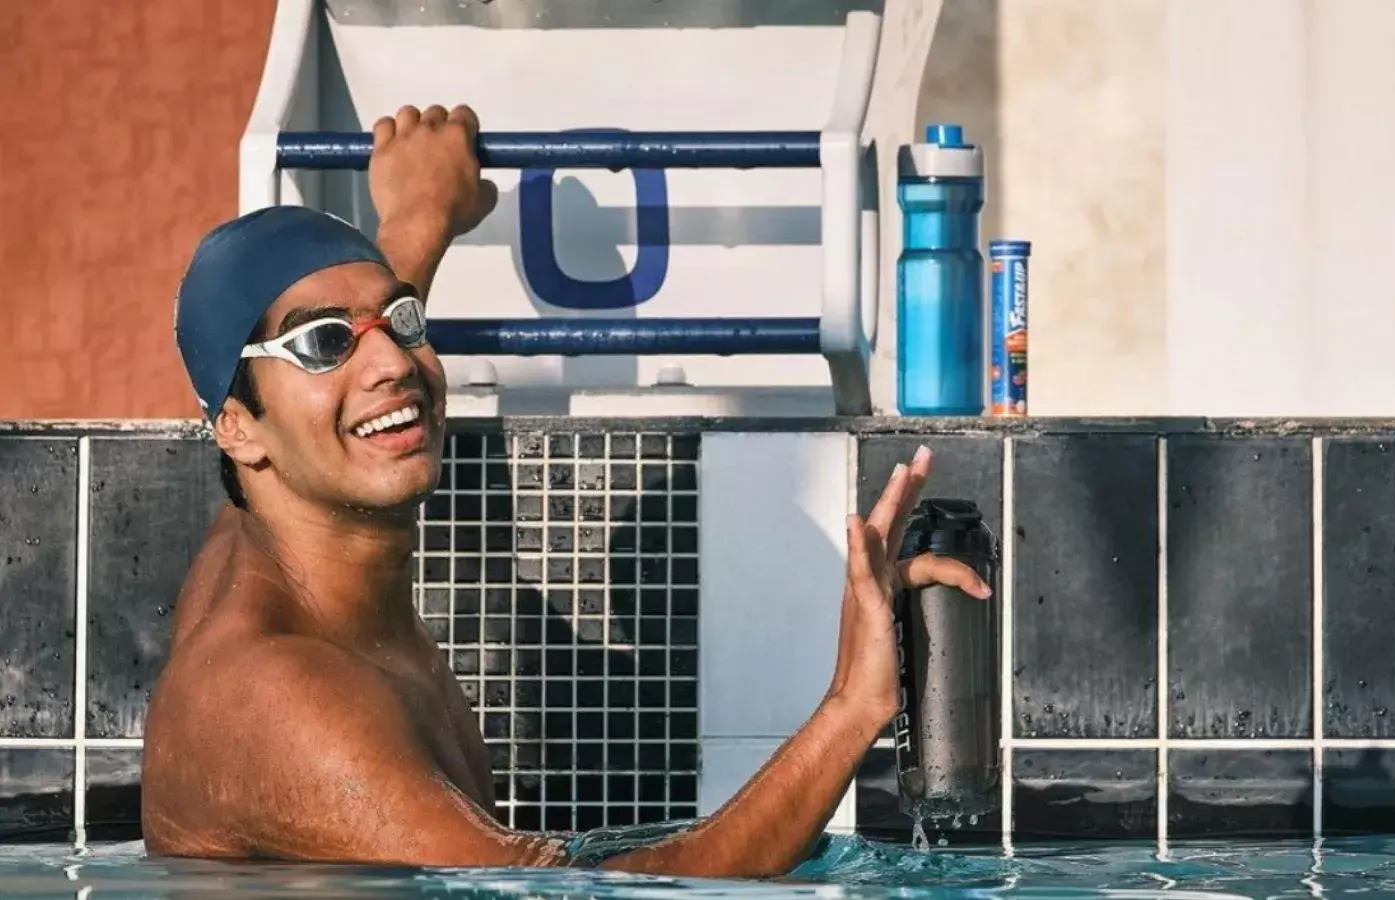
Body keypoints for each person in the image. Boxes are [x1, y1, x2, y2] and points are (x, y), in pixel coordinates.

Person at [141, 104, 991, 876]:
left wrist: (420, 216)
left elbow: (342, 340)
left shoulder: (270, 505)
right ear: (237, 429)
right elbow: (589, 899)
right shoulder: (280, 697)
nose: (392, 363)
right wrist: (852, 706)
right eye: (326, 344)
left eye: (402, 322)